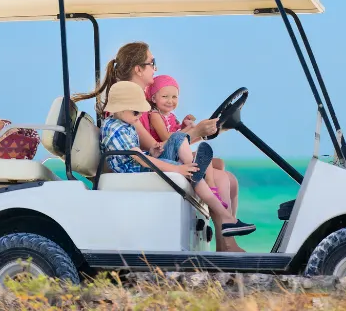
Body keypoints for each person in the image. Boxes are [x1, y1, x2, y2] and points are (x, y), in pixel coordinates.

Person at [74, 42, 243, 250]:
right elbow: (153, 145)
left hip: (154, 157)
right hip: (142, 164)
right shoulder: (128, 109)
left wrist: (200, 131)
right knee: (220, 177)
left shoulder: (136, 103)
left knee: (226, 174)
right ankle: (227, 243)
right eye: (152, 63)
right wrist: (197, 133)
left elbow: (160, 142)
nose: (156, 68)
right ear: (138, 69)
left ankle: (226, 240)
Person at [100, 81, 255, 240]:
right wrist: (178, 169)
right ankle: (227, 218)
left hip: (141, 161)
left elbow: (139, 154)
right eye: (136, 112)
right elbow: (141, 160)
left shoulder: (125, 122)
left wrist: (152, 151)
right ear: (119, 107)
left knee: (178, 137)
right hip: (135, 169)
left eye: (141, 112)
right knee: (191, 172)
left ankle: (192, 167)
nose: (139, 116)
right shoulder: (115, 129)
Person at [141, 74, 229, 209]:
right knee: (206, 163)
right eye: (165, 96)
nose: (170, 101)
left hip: (177, 150)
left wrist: (184, 124)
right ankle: (210, 193)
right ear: (153, 98)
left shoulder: (171, 116)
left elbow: (178, 132)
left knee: (218, 163)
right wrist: (191, 129)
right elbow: (167, 137)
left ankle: (213, 192)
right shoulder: (155, 115)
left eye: (174, 97)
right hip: (167, 152)